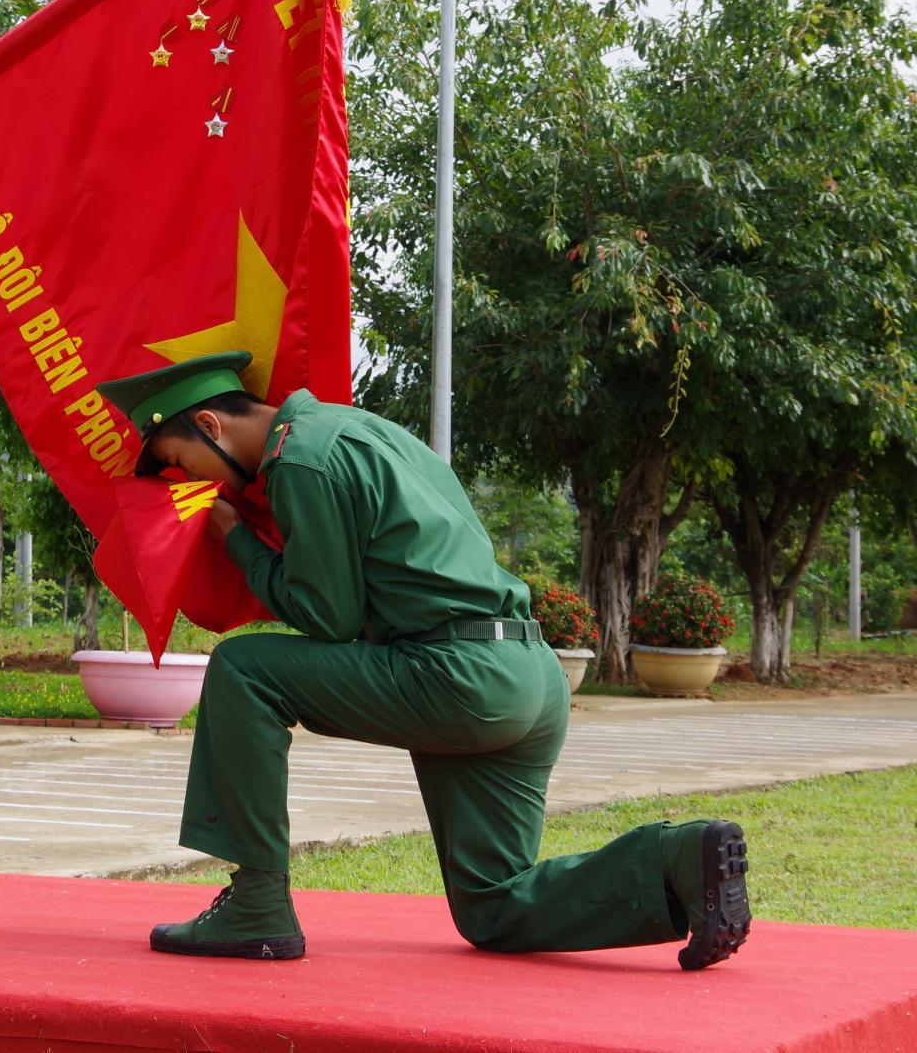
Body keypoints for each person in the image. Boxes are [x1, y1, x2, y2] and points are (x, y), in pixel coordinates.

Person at [96, 352, 751, 969]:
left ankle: (256, 906)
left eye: (179, 460)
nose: (187, 481)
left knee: (245, 670)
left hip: (456, 677)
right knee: (492, 907)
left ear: (210, 424)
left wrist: (237, 539)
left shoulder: (298, 460)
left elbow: (331, 618)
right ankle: (677, 858)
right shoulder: (363, 429)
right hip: (530, 675)